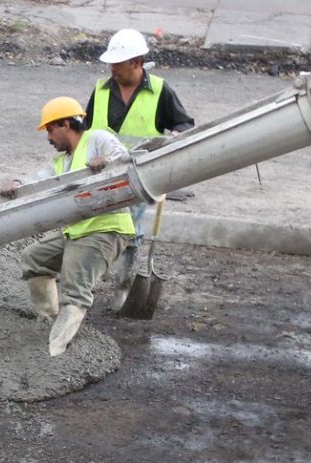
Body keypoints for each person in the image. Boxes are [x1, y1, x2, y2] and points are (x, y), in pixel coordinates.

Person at [0, 97, 136, 356]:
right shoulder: (60, 162)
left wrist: (104, 160)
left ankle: (57, 352)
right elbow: (37, 182)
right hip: (77, 230)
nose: (48, 137)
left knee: (74, 290)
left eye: (51, 129)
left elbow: (124, 157)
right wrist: (17, 183)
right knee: (33, 258)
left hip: (105, 228)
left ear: (65, 124)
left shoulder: (97, 139)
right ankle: (48, 319)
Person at [83, 28, 195, 311]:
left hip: (138, 176)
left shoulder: (159, 90)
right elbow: (85, 132)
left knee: (131, 235)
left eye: (117, 64)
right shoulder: (101, 90)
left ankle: (121, 288)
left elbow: (184, 125)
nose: (112, 69)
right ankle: (88, 286)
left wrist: (173, 141)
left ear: (137, 62)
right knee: (94, 231)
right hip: (102, 174)